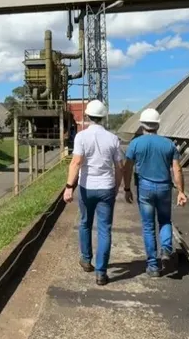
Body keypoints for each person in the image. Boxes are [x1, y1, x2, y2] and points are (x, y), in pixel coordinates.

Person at [62, 99, 123, 286]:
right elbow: (119, 167)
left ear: (87, 116)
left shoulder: (81, 137)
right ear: (103, 117)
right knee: (105, 229)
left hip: (87, 187)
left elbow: (76, 163)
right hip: (106, 188)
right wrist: (116, 187)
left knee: (85, 223)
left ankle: (86, 259)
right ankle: (101, 272)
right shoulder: (113, 139)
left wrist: (69, 187)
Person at [122, 108, 187, 277]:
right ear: (158, 124)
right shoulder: (168, 144)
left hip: (145, 188)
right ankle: (166, 248)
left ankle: (153, 266)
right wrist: (181, 191)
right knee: (165, 220)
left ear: (142, 124)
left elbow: (127, 167)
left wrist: (127, 188)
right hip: (164, 187)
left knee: (148, 226)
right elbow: (177, 170)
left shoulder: (136, 144)